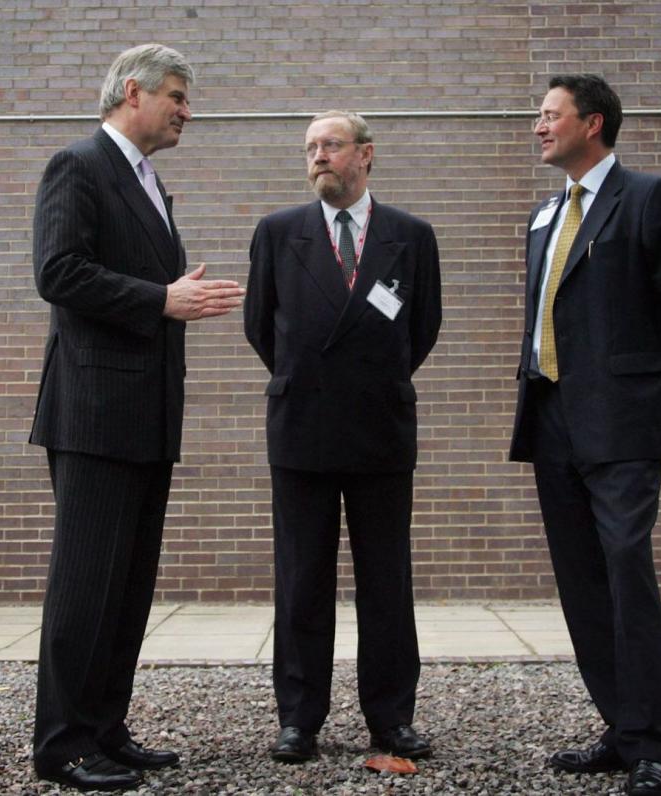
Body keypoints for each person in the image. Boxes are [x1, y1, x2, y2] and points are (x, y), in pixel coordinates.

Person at [30, 43, 245, 792]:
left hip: (147, 416)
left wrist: (169, 292)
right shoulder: (78, 165)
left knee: (126, 587)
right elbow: (58, 271)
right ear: (134, 92)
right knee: (86, 585)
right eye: (178, 96)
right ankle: (61, 745)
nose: (188, 111)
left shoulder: (148, 181)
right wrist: (162, 298)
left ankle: (104, 729)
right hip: (93, 415)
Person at [509, 74, 661, 796]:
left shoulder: (650, 197)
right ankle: (623, 730)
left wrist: (652, 403)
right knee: (583, 583)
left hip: (623, 424)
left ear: (592, 123)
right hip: (551, 420)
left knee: (626, 573)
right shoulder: (544, 213)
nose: (539, 126)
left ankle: (656, 743)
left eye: (550, 114)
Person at [244, 110, 441, 763]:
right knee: (302, 579)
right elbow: (260, 327)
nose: (318, 156)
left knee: (387, 580)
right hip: (302, 426)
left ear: (365, 154)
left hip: (381, 427)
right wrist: (308, 378)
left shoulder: (411, 236)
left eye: (330, 145)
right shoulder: (279, 233)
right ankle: (299, 718)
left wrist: (371, 378)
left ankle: (392, 717)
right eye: (310, 147)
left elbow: (422, 329)